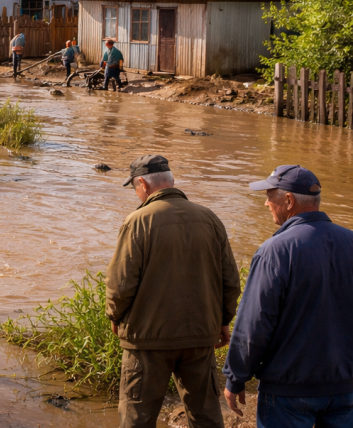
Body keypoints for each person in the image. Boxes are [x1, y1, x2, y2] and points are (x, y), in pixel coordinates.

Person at [106, 155, 240, 428]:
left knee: (137, 418)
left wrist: (114, 316)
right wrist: (224, 320)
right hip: (201, 335)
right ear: (170, 181)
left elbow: (121, 284)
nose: (136, 193)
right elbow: (230, 280)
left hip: (147, 339)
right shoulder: (209, 218)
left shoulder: (137, 221)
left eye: (134, 187)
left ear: (142, 183)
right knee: (205, 417)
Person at [223, 166, 353, 426]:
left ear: (289, 200)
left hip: (288, 391)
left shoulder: (275, 251)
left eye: (270, 195)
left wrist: (235, 377)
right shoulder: (350, 241)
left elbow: (253, 325)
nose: (266, 202)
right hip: (345, 388)